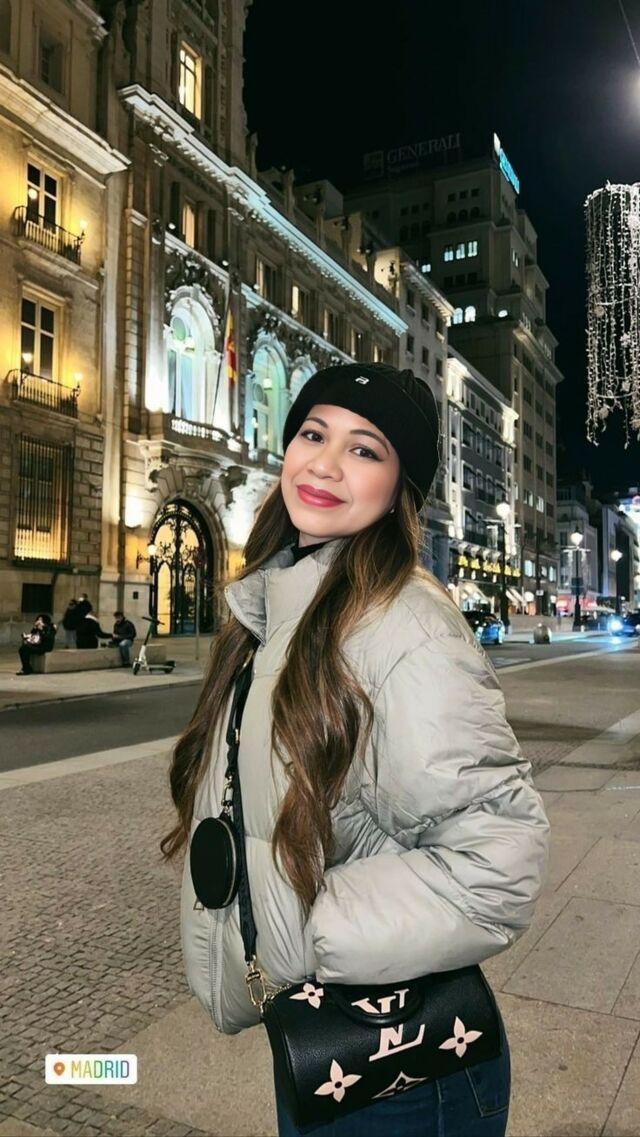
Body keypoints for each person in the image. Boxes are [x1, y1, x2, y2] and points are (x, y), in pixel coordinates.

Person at [163, 363, 550, 1137]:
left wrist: (310, 929)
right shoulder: (278, 609)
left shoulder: (404, 625)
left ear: (400, 487)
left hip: (405, 1067)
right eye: (313, 433)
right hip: (321, 1041)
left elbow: (498, 862)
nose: (326, 463)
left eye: (366, 449)